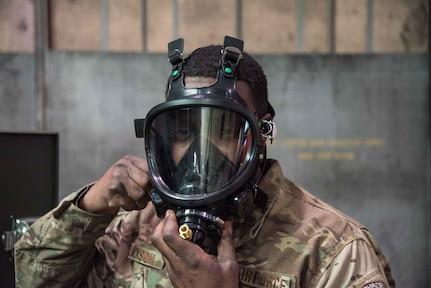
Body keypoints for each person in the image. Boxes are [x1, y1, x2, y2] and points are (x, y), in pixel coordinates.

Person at [14, 36, 395, 288]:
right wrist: (89, 206)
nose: (201, 151)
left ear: (259, 135)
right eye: (183, 133)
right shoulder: (139, 222)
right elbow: (32, 278)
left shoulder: (334, 252)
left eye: (222, 129)